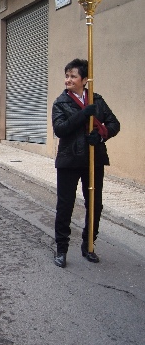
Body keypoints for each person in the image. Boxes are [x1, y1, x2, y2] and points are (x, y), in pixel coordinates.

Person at [52, 58, 120, 268]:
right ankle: (61, 249)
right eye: (67, 76)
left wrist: (100, 136)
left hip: (93, 159)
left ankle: (89, 245)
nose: (68, 80)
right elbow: (60, 129)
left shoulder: (97, 100)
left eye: (73, 76)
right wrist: (82, 115)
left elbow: (114, 124)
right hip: (69, 160)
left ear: (84, 79)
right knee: (65, 205)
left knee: (94, 205)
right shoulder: (60, 103)